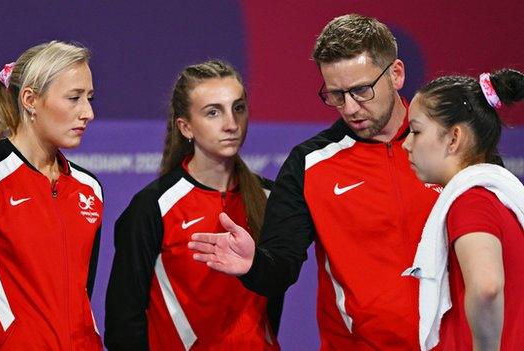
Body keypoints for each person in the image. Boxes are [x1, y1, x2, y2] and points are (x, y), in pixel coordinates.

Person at [188, 14, 441, 350]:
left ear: (396, 74)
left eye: (361, 90)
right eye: (336, 95)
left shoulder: (453, 143)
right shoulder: (309, 163)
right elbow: (281, 263)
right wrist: (254, 265)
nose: (350, 108)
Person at [104, 60, 281, 350]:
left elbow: (273, 299)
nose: (231, 124)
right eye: (213, 112)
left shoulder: (269, 198)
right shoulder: (152, 207)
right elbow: (123, 324)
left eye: (238, 108)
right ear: (185, 127)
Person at [0, 41, 103, 350]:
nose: (88, 112)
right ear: (31, 99)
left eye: (89, 98)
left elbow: (82, 292)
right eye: (74, 98)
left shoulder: (90, 188)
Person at [402, 69, 524, 350]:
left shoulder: (471, 201)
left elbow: (486, 287)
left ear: (454, 138)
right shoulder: (493, 198)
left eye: (416, 131)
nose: (407, 144)